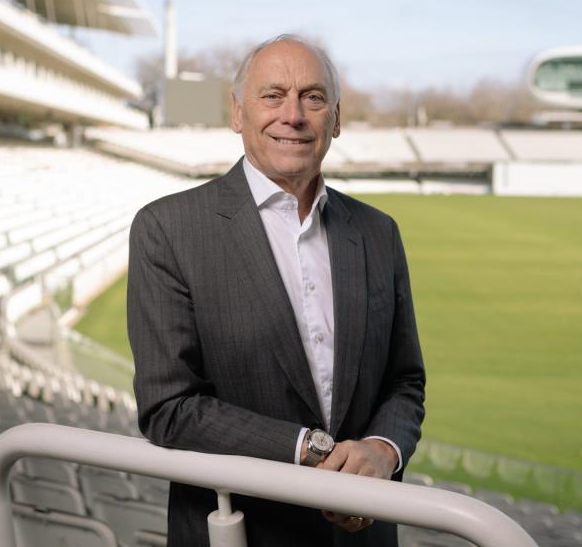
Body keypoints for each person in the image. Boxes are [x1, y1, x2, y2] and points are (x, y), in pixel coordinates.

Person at [127, 34, 426, 547]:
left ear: (336, 118)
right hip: (241, 532)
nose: (293, 115)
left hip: (363, 533)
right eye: (272, 96)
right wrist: (310, 450)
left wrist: (381, 448)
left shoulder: (379, 233)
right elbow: (169, 407)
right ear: (238, 113)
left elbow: (405, 381)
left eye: (312, 97)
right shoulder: (168, 229)